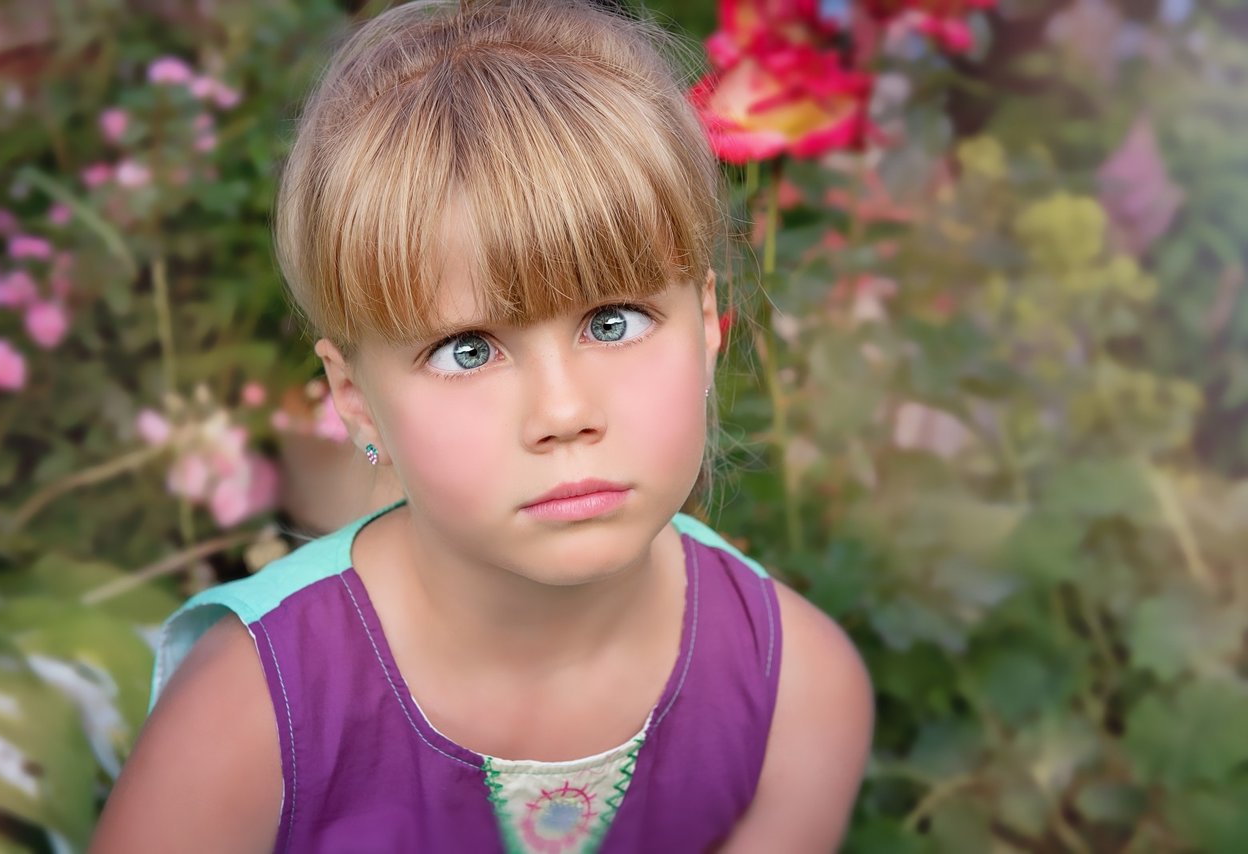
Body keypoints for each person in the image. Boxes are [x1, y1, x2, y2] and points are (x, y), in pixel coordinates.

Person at [91, 1, 873, 851]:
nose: (564, 414)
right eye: (467, 350)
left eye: (614, 322)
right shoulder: (249, 710)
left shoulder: (798, 689)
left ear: (708, 326)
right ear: (353, 397)